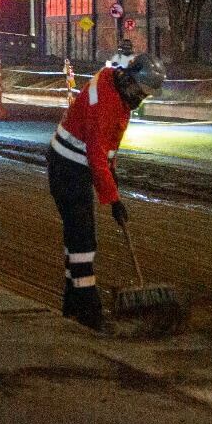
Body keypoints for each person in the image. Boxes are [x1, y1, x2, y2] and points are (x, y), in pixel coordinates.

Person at [47, 53, 165, 331]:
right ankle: (89, 309)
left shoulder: (116, 87)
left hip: (74, 166)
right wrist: (114, 200)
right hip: (68, 168)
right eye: (139, 92)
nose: (140, 99)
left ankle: (72, 302)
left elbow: (106, 152)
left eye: (145, 95)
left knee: (76, 238)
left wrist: (112, 180)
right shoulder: (106, 103)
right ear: (128, 79)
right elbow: (97, 157)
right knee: (84, 241)